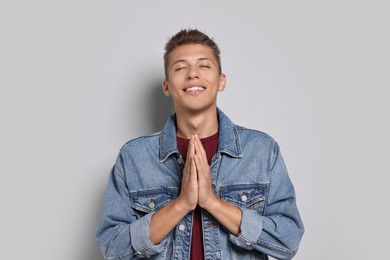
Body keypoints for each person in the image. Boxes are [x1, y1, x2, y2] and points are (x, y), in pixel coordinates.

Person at [96, 29, 304, 260]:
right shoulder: (134, 157)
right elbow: (112, 247)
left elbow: (288, 240)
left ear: (221, 81)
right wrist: (181, 204)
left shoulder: (262, 151)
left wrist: (211, 202)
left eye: (204, 65)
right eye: (180, 67)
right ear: (166, 86)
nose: (193, 74)